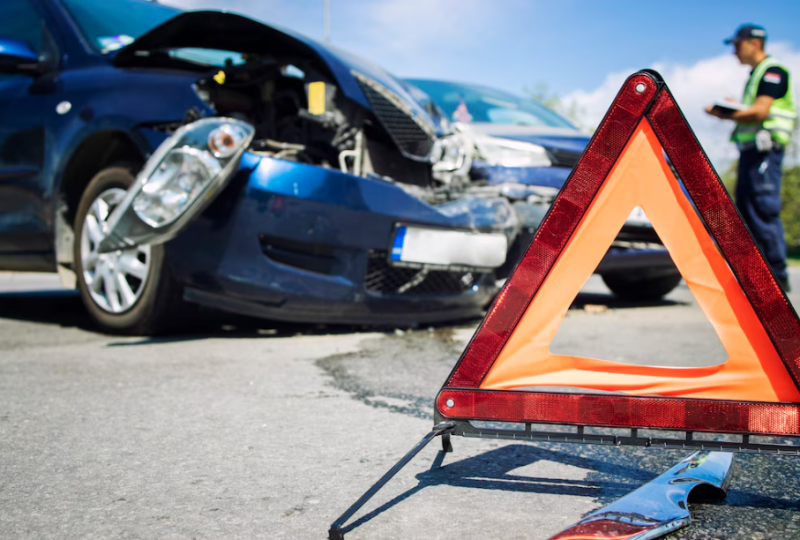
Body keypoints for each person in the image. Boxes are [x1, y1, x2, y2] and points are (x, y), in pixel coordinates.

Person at [705, 24, 797, 292]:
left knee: (762, 210)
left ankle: (776, 280)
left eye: (737, 45)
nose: (734, 51)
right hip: (752, 153)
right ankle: (757, 277)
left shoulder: (772, 71)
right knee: (747, 211)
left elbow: (760, 112)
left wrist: (725, 114)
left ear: (754, 43)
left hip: (764, 153)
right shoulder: (757, 74)